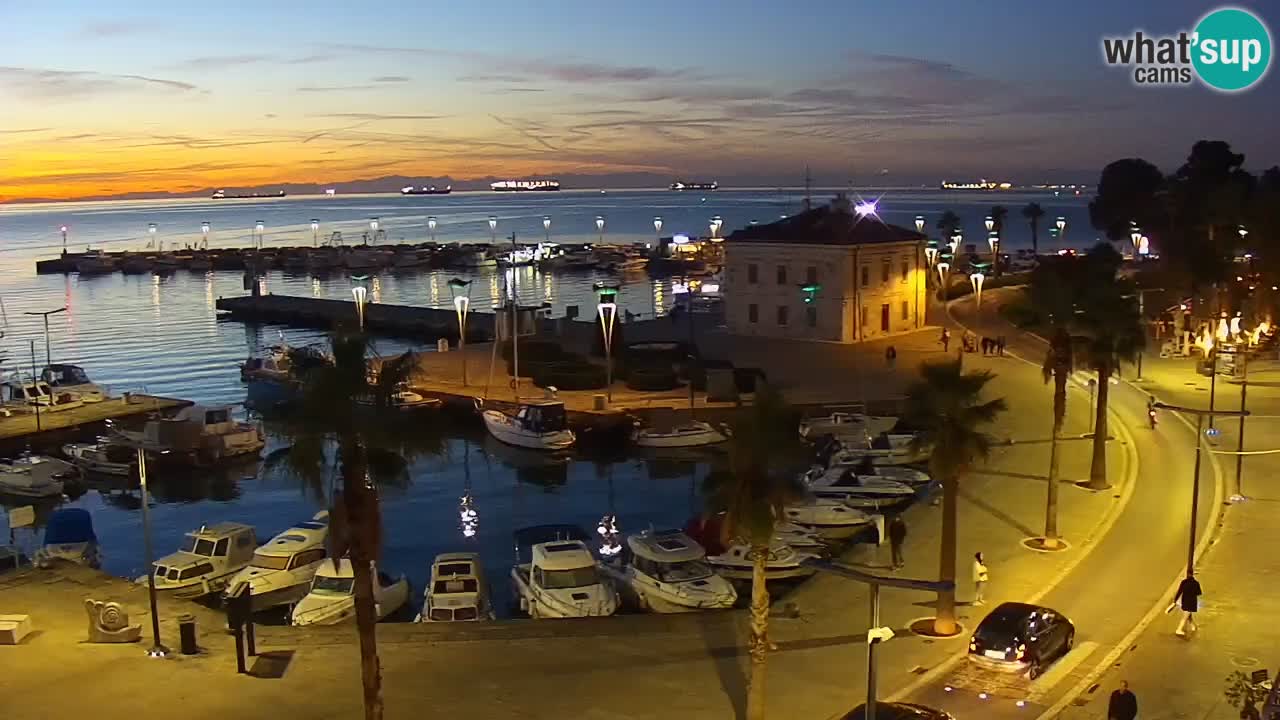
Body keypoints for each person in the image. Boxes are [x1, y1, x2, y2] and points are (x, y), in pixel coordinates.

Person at [1172, 572, 1202, 636]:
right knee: (1185, 616)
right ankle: (1179, 629)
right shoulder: (1196, 583)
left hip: (1184, 601)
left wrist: (1175, 600)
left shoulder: (1184, 582)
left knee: (1188, 615)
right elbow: (1199, 593)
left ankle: (1193, 626)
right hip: (1192, 602)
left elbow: (1179, 592)